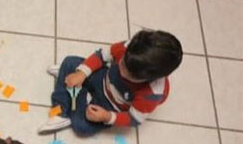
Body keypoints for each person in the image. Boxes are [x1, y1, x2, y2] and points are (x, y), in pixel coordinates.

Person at [38, 30, 183, 136]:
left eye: (129, 73)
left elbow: (134, 119)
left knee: (81, 127)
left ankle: (76, 94)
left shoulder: (152, 93)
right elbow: (101, 56)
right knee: (70, 61)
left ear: (150, 78)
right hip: (102, 77)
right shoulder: (129, 48)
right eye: (123, 62)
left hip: (110, 106)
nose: (121, 69)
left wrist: (107, 117)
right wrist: (82, 73)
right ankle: (61, 109)